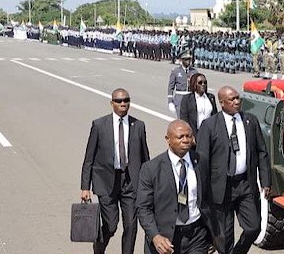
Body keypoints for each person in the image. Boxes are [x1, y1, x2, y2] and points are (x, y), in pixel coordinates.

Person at [196, 86, 271, 254]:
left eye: (238, 98)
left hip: (245, 184)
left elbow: (262, 152)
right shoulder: (209, 125)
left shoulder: (250, 121)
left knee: (254, 227)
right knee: (224, 237)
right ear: (221, 103)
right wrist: (203, 190)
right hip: (221, 187)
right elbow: (203, 160)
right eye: (232, 99)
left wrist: (266, 181)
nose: (237, 102)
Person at [80, 88, 150, 254]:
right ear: (112, 103)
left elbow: (145, 158)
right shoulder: (99, 125)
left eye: (126, 100)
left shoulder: (138, 125)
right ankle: (99, 247)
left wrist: (149, 185)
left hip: (130, 182)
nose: (123, 104)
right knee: (111, 225)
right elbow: (89, 157)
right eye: (119, 101)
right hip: (106, 182)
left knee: (131, 226)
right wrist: (85, 187)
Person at [136, 121, 211, 254]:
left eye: (189, 136)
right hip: (166, 238)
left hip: (196, 235)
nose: (186, 140)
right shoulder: (151, 169)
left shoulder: (201, 161)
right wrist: (155, 236)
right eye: (180, 137)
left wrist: (213, 234)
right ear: (168, 139)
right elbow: (143, 208)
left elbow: (209, 197)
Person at [179, 73, 218, 138]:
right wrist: (190, 135)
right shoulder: (187, 98)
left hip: (210, 133)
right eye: (200, 83)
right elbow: (184, 119)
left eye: (205, 82)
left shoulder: (211, 97)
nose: (203, 85)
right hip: (195, 134)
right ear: (194, 84)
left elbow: (215, 116)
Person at [168, 51, 198, 117]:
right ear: (182, 60)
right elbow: (171, 87)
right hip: (180, 98)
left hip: (191, 98)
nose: (188, 61)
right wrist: (170, 101)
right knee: (181, 118)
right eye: (186, 59)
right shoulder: (176, 71)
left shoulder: (194, 71)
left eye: (189, 59)